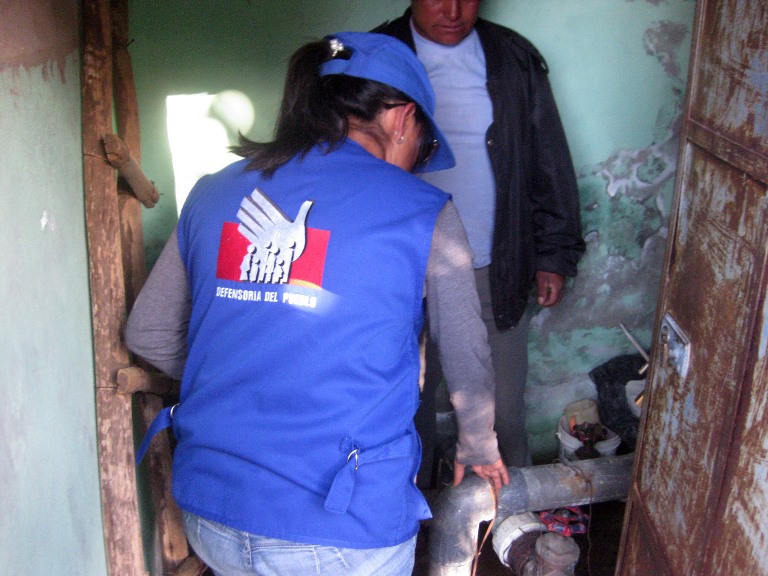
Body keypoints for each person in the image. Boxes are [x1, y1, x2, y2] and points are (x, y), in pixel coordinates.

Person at [125, 31, 508, 576]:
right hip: (339, 528)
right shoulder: (421, 209)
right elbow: (466, 355)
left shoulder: (212, 192)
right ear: (402, 119)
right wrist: (479, 445)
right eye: (424, 149)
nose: (415, 166)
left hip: (212, 514)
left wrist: (245, 375)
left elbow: (147, 332)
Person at [375, 1, 586, 476]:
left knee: (502, 408)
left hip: (495, 266)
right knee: (407, 408)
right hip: (403, 270)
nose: (453, 11)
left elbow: (548, 156)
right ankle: (415, 507)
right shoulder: (377, 56)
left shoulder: (512, 58)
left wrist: (554, 253)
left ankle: (513, 509)